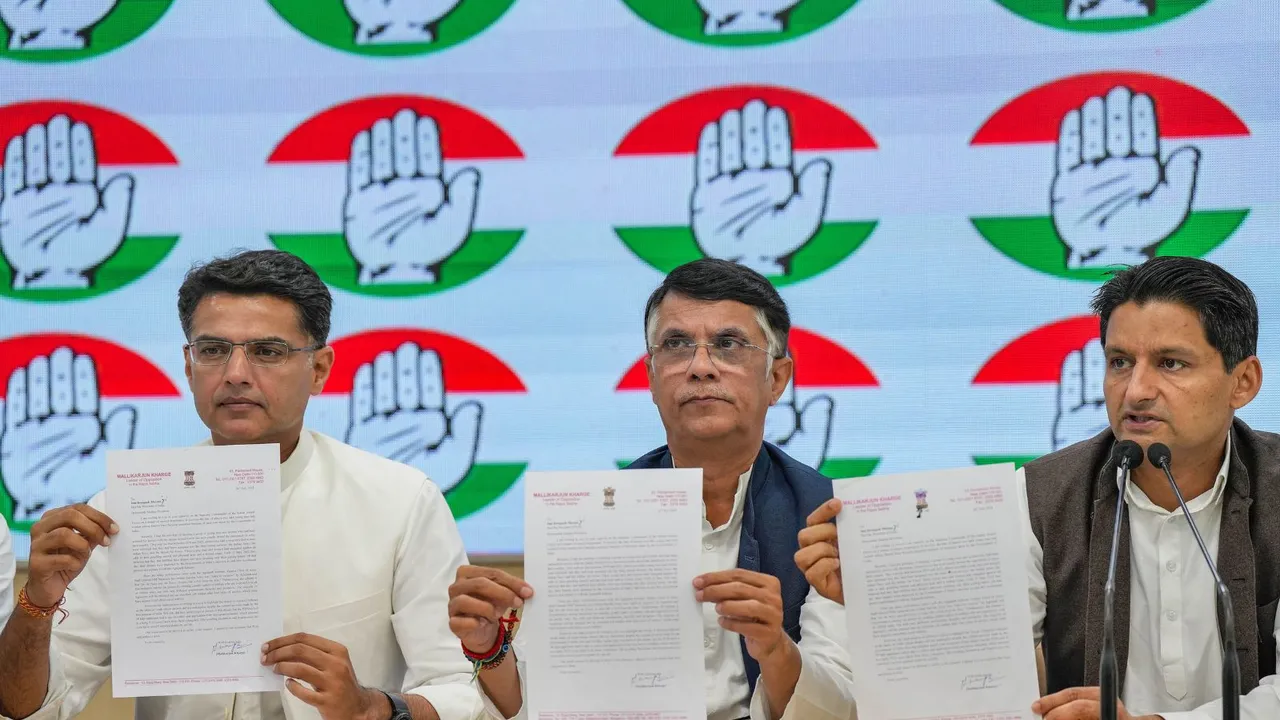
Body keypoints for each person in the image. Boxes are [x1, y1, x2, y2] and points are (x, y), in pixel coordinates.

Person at [0, 249, 481, 720]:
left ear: (319, 370)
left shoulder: (399, 502)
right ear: (189, 367)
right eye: (213, 350)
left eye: (267, 352)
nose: (235, 375)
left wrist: (373, 708)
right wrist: (38, 602)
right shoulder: (125, 511)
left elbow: (461, 690)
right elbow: (29, 708)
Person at [796, 256, 1280, 720]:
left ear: (1244, 381)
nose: (1135, 390)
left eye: (1171, 364)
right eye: (1119, 362)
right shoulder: (1037, 497)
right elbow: (972, 666)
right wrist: (885, 604)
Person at [447, 258, 856, 720]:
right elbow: (539, 703)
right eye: (677, 345)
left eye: (728, 345)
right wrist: (489, 649)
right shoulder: (593, 520)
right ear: (652, 379)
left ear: (777, 379)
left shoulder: (830, 517)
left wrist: (775, 650)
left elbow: (846, 705)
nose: (701, 367)